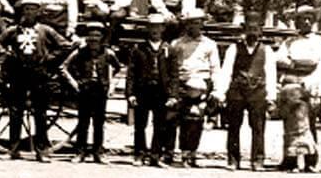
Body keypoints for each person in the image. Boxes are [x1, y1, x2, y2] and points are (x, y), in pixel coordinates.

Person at [0, 0, 73, 162]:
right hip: (18, 74)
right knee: (15, 112)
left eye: (33, 9)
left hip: (39, 75)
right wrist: (7, 55)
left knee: (40, 113)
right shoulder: (13, 30)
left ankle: (42, 151)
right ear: (22, 11)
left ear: (38, 11)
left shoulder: (45, 30)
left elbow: (65, 46)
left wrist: (49, 59)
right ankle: (13, 149)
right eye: (26, 9)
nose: (29, 12)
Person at [215, 10, 277, 171]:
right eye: (249, 29)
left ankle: (257, 160)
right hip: (237, 90)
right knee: (234, 125)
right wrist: (221, 92)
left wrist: (271, 96)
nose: (252, 32)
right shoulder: (234, 49)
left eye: (255, 29)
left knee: (258, 126)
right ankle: (233, 159)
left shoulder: (267, 50)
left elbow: (271, 73)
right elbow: (226, 70)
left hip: (258, 91)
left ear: (260, 30)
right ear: (244, 29)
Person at [165, 9, 221, 168]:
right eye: (191, 23)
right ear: (186, 24)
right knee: (172, 117)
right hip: (180, 83)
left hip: (200, 84)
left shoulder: (210, 44)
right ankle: (168, 152)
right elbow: (171, 68)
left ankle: (189, 153)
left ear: (202, 24)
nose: (194, 26)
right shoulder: (177, 44)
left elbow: (215, 68)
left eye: (198, 22)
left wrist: (216, 90)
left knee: (194, 119)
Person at [276, 5, 321, 173]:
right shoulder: (290, 42)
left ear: (313, 22)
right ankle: (290, 158)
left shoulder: (320, 42)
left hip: (310, 83)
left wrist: (310, 77)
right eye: (302, 19)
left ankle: (310, 160)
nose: (305, 22)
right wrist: (295, 63)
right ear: (297, 22)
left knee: (309, 122)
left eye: (309, 19)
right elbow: (280, 59)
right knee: (290, 122)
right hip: (292, 83)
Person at [61, 22, 121, 164]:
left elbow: (118, 69)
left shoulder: (108, 53)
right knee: (83, 122)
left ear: (101, 37)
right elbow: (64, 67)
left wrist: (111, 84)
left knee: (99, 123)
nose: (93, 39)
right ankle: (80, 152)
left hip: (100, 91)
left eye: (97, 36)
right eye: (91, 36)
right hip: (84, 91)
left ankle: (98, 153)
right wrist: (74, 83)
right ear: (87, 37)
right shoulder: (80, 53)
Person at [125, 14, 173, 166]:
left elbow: (174, 74)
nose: (155, 30)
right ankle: (139, 154)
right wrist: (130, 93)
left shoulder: (169, 49)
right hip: (143, 91)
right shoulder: (139, 48)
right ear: (147, 28)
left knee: (160, 125)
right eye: (152, 27)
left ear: (163, 28)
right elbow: (131, 73)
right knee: (140, 124)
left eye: (158, 26)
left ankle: (155, 155)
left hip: (161, 91)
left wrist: (173, 95)